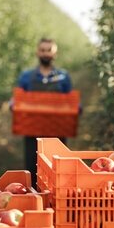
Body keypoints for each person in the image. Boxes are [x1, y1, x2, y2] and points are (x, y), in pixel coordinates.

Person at [15, 37, 72, 187]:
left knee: (57, 169)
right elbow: (18, 100)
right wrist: (13, 105)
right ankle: (36, 202)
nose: (45, 53)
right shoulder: (26, 77)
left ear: (55, 53)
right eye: (42, 50)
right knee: (33, 169)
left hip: (57, 131)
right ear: (37, 52)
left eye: (49, 50)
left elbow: (70, 102)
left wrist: (74, 109)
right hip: (32, 131)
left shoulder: (63, 77)